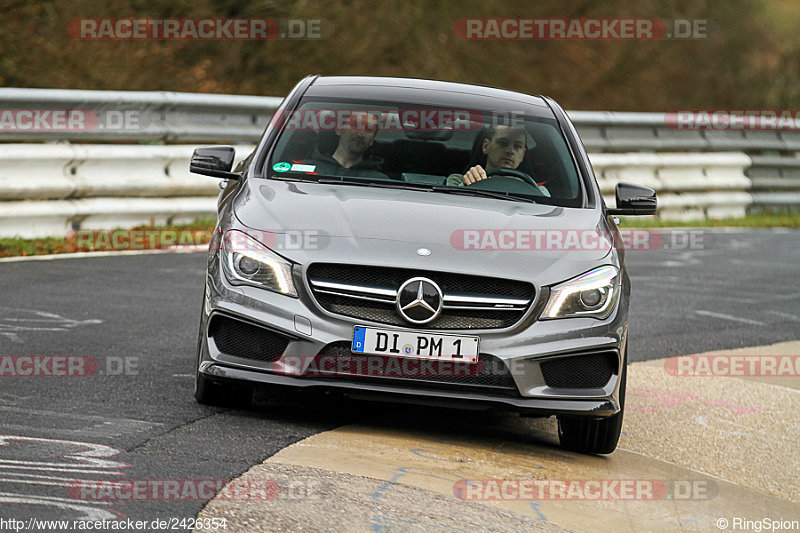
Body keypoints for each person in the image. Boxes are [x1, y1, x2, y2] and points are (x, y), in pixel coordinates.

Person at [445, 124, 550, 196]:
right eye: (503, 143)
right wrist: (467, 186)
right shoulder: (457, 181)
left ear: (522, 155)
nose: (510, 151)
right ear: (486, 146)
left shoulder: (537, 190)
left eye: (517, 146)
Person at [303, 110, 388, 178]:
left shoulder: (379, 180)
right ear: (339, 129)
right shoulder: (303, 169)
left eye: (369, 129)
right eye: (355, 125)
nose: (360, 134)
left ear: (372, 140)